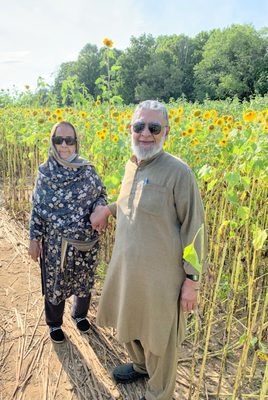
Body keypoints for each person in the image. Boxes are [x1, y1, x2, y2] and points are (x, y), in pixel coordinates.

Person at [90, 100, 207, 400]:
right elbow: (133, 205)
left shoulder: (179, 173)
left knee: (159, 340)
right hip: (127, 271)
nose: (145, 134)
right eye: (139, 126)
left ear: (166, 131)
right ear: (131, 128)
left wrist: (191, 282)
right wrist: (108, 210)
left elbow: (194, 229)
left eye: (153, 128)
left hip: (161, 279)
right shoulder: (133, 164)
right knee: (129, 323)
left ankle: (158, 393)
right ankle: (141, 368)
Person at [28, 121, 107, 344]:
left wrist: (101, 208)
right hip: (56, 242)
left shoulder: (87, 171)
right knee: (56, 284)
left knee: (84, 281)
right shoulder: (45, 174)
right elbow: (37, 208)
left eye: (69, 140)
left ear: (76, 143)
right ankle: (54, 323)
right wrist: (34, 238)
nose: (64, 145)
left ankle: (79, 314)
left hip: (85, 241)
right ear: (52, 143)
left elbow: (101, 194)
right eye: (58, 140)